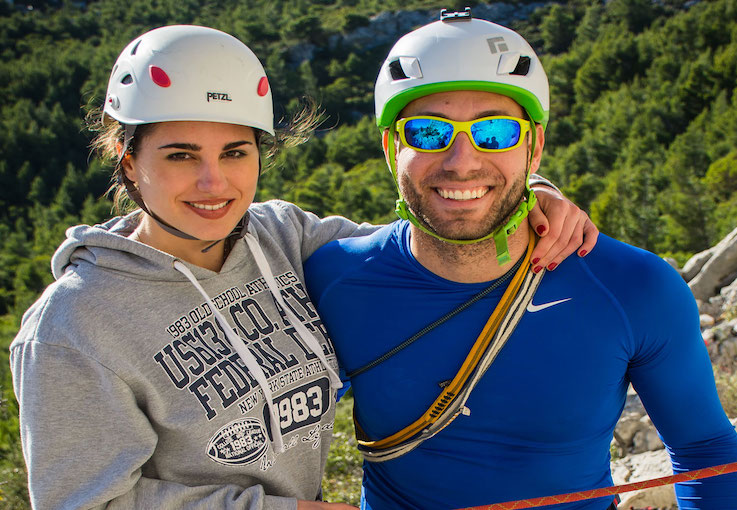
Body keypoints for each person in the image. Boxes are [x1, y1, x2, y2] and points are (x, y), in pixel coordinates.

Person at [10, 24, 595, 510]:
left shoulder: (281, 237)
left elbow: (427, 246)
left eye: (235, 153)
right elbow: (85, 503)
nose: (214, 183)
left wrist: (525, 193)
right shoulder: (76, 326)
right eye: (181, 155)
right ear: (128, 160)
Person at [304, 10, 737, 510]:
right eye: (427, 133)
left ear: (534, 147)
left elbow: (704, 450)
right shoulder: (334, 279)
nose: (461, 161)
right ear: (392, 149)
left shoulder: (634, 288)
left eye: (494, 133)